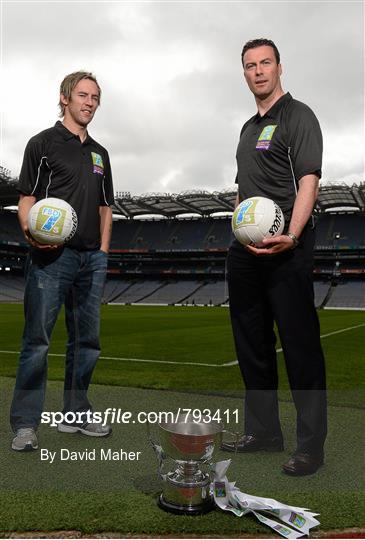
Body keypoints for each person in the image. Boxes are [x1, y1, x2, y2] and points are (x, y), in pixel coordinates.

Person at [221, 39, 327, 476]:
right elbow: (243, 190)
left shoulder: (298, 115)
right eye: (250, 65)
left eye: (265, 62)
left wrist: (294, 234)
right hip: (245, 250)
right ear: (244, 73)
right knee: (252, 345)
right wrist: (237, 225)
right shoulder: (247, 128)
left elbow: (308, 179)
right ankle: (264, 431)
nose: (258, 71)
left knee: (299, 345)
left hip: (286, 247)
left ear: (280, 68)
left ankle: (310, 446)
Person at [10, 71, 114, 451]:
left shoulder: (100, 153)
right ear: (65, 97)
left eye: (95, 97)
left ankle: (77, 414)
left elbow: (106, 208)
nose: (89, 102)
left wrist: (102, 251)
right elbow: (27, 200)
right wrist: (31, 231)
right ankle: (24, 424)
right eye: (83, 95)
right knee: (37, 341)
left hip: (91, 259)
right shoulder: (42, 144)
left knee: (87, 343)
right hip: (52, 258)